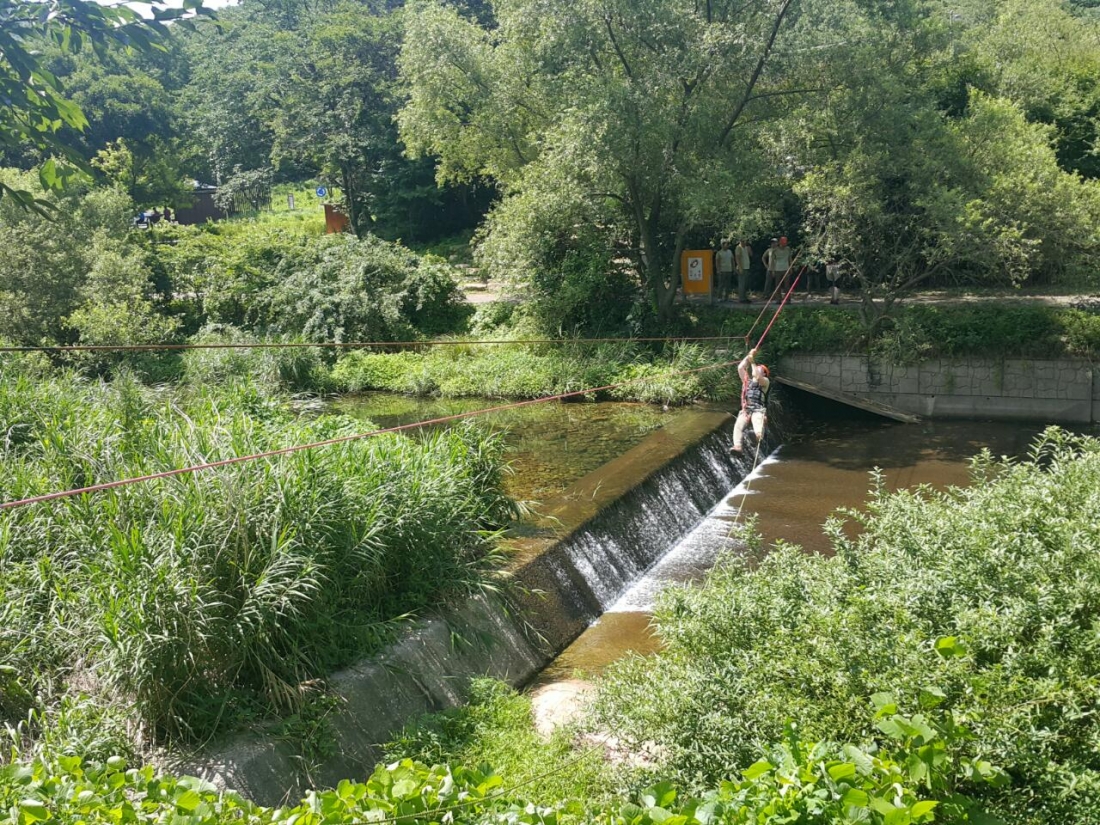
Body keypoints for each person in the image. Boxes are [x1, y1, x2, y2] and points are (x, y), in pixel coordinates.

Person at [732, 347, 770, 453]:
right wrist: (749, 356)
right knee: (738, 425)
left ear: (764, 374)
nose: (757, 368)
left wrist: (752, 362)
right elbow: (740, 367)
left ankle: (757, 437)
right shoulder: (747, 382)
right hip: (746, 409)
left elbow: (757, 376)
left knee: (757, 420)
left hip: (758, 409)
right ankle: (738, 447)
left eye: (760, 369)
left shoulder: (765, 382)